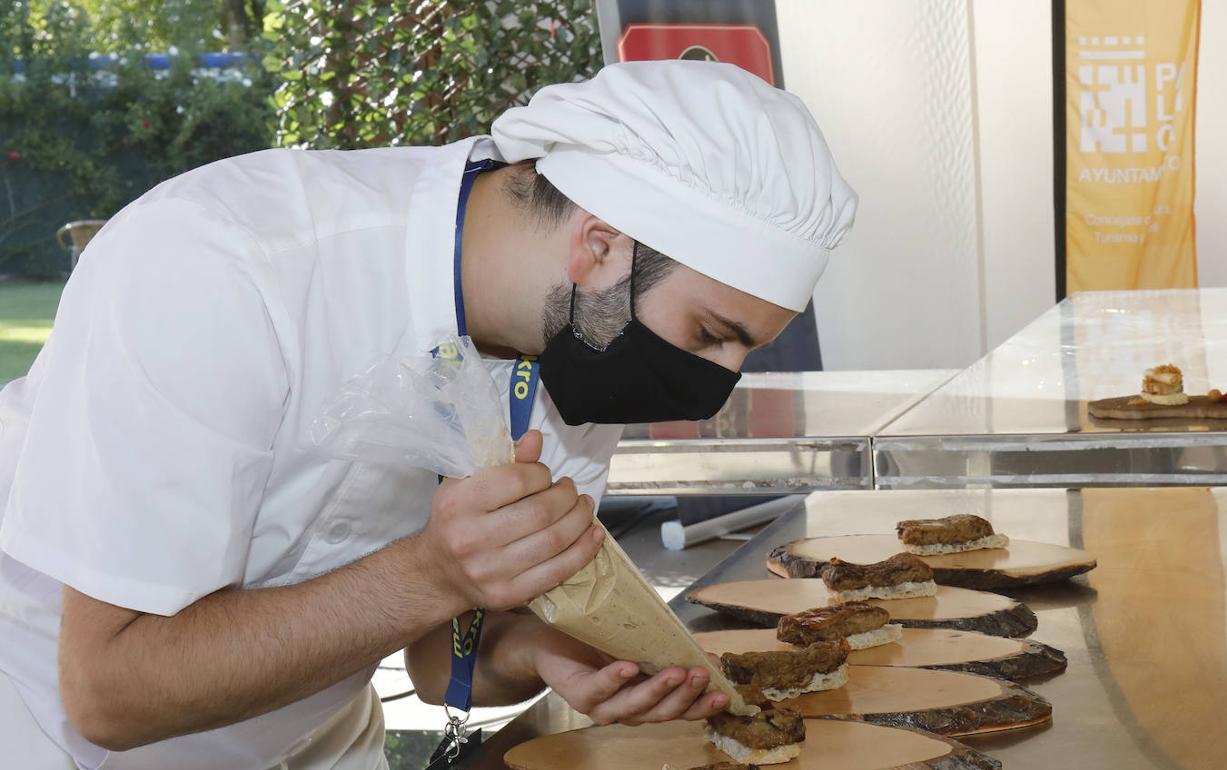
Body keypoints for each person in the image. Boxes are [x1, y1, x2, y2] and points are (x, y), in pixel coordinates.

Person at [0, 60, 856, 769]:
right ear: (600, 245)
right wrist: (434, 573)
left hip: (321, 740)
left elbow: (439, 653)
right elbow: (109, 691)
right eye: (710, 335)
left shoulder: (579, 331)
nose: (714, 381)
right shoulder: (222, 266)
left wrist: (546, 652)